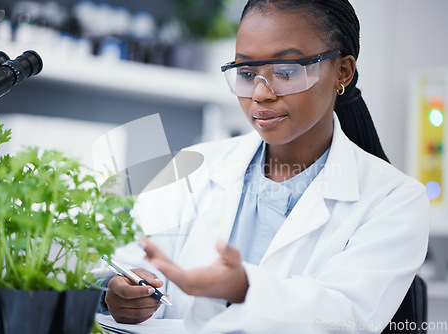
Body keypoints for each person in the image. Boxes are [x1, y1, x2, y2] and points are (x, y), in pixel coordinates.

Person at [100, 0, 429, 332]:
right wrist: (121, 292)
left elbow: (345, 316)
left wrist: (245, 287)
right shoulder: (192, 166)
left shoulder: (396, 200)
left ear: (342, 72)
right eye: (246, 73)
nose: (260, 93)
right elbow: (131, 262)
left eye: (285, 71)